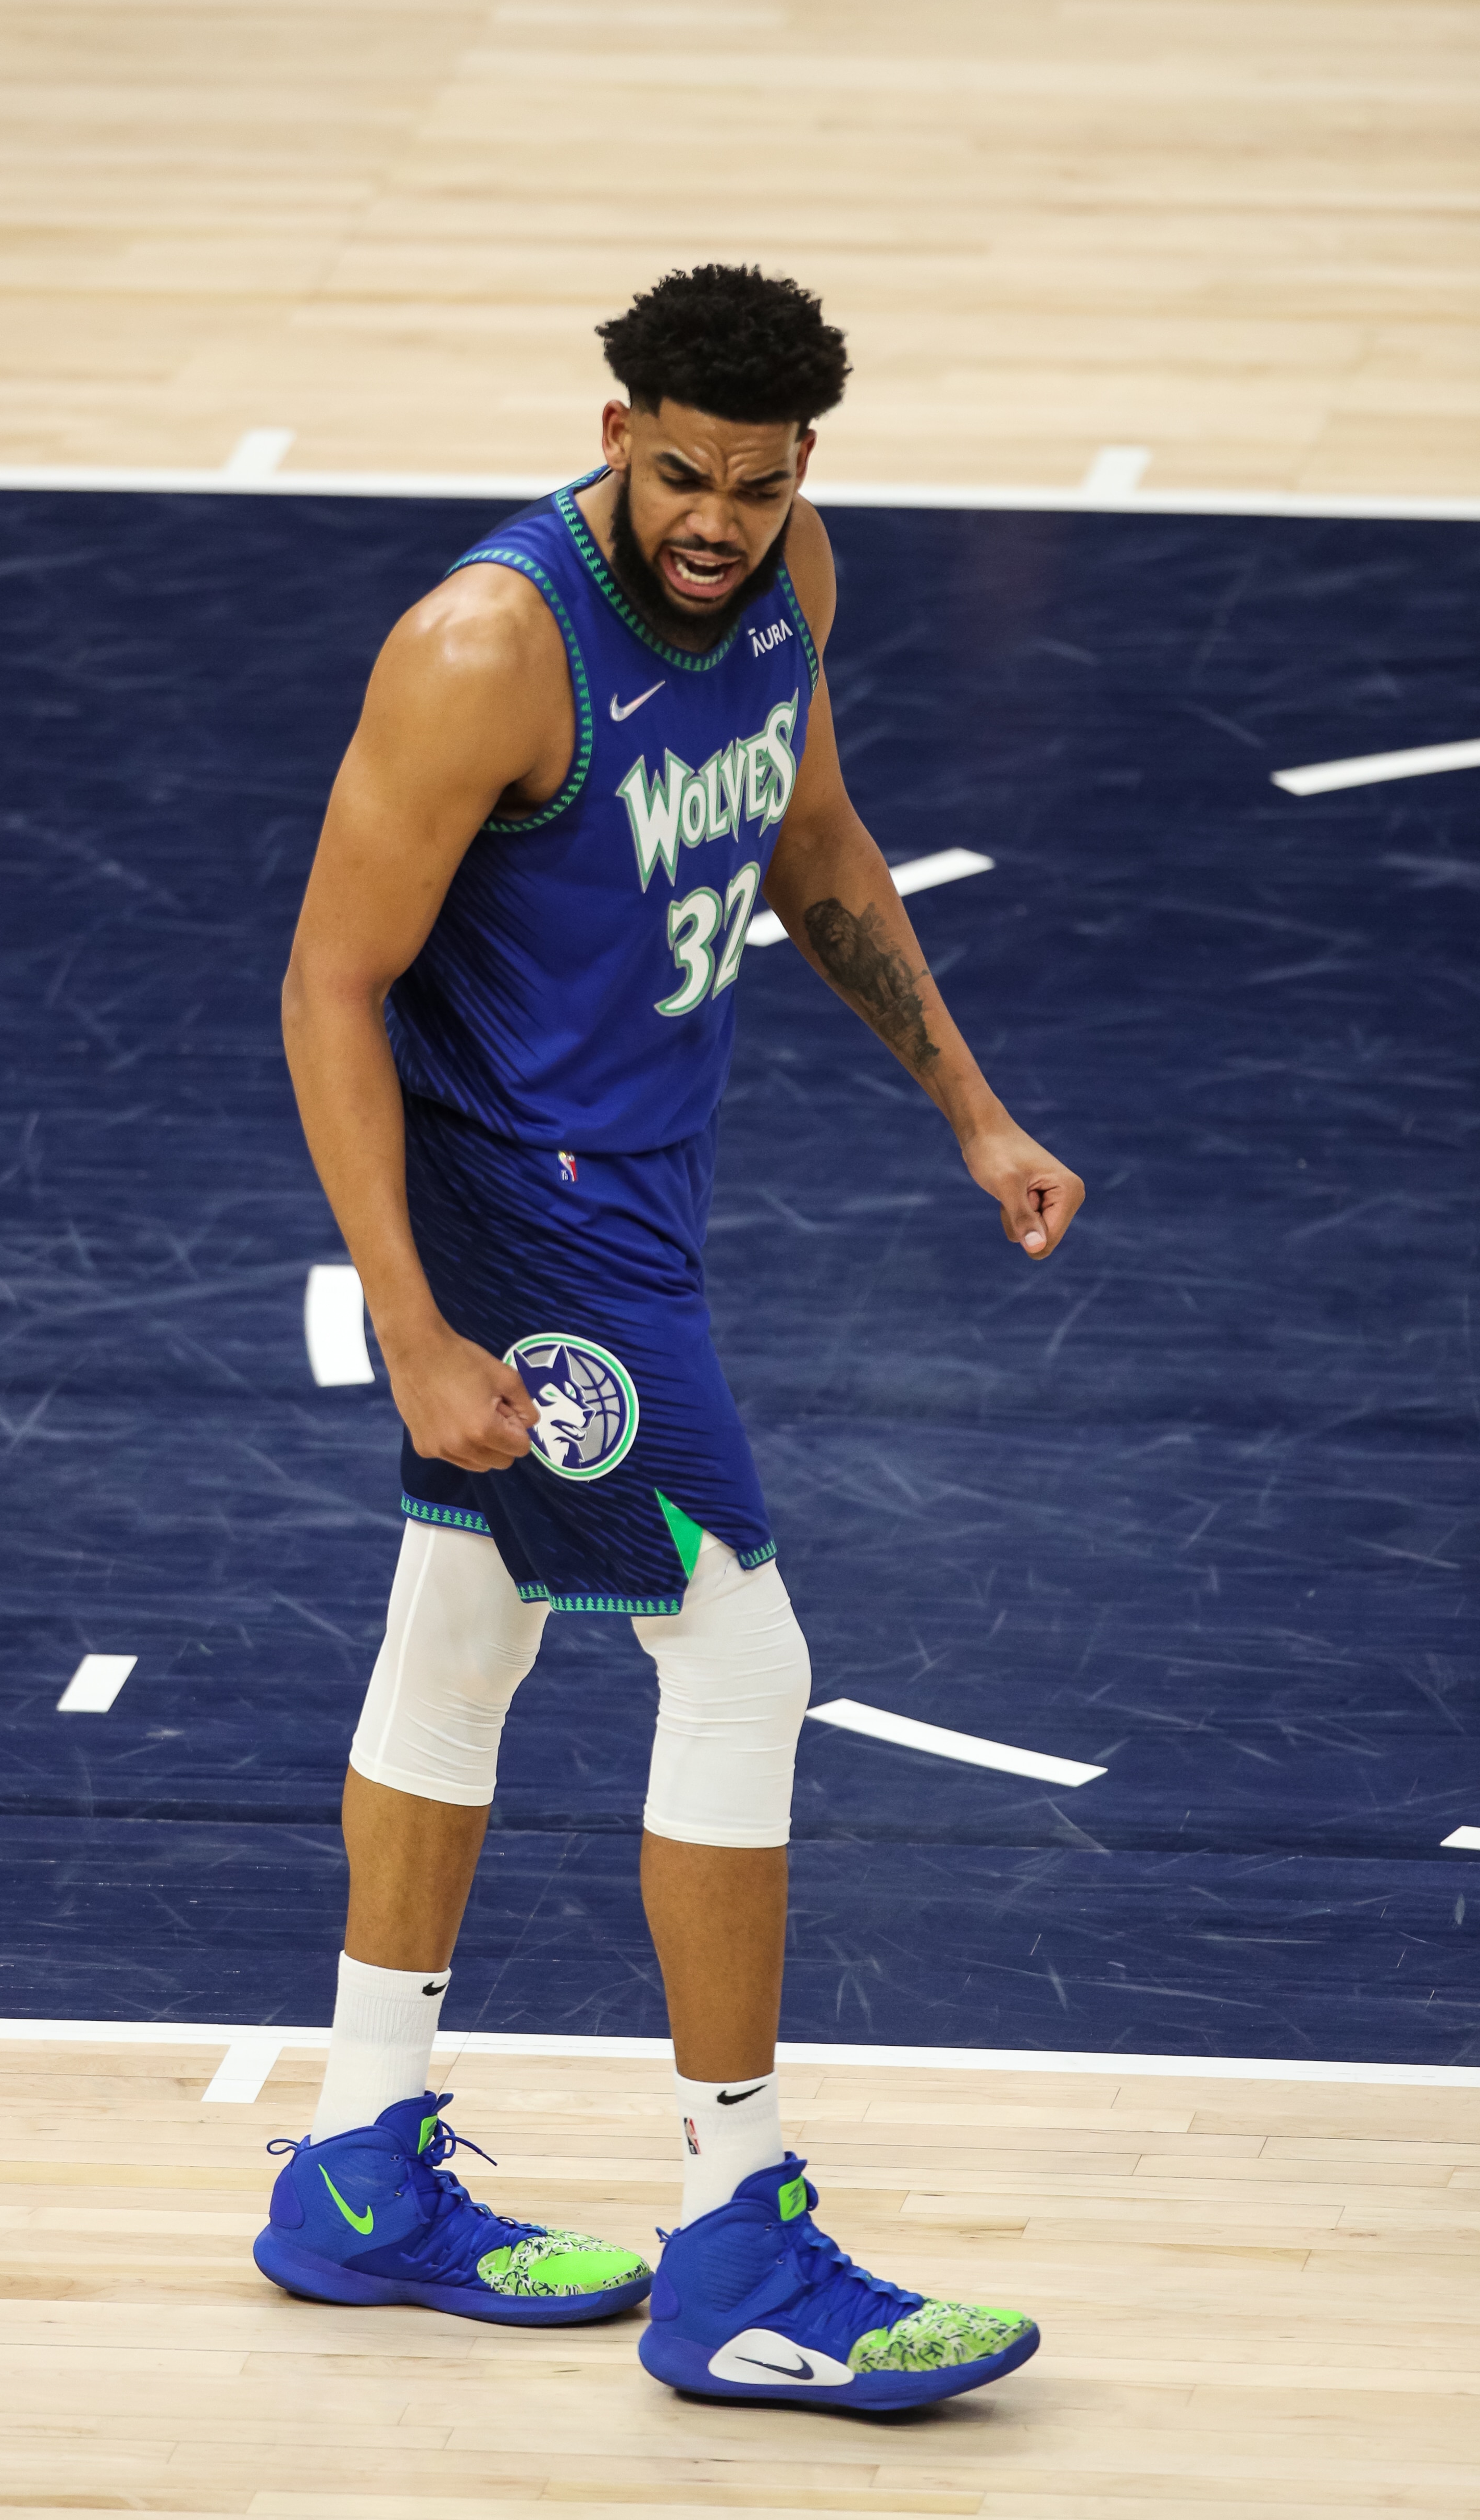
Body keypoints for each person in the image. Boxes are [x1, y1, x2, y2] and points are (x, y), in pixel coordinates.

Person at [260, 264, 1083, 2409]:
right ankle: (736, 2232)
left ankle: (356, 2165)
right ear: (614, 425)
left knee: (464, 1632)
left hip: (629, 1196)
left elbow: (807, 840)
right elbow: (326, 986)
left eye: (761, 480)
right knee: (738, 1654)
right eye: (684, 473)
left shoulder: (790, 569)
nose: (719, 520)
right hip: (530, 1237)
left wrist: (971, 1108)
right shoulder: (485, 649)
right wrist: (423, 1327)